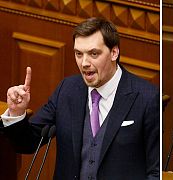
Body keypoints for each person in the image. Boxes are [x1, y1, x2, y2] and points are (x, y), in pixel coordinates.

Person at [0, 17, 160, 180]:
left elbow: (155, 171)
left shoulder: (147, 98)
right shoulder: (67, 90)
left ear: (114, 52)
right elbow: (27, 143)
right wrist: (16, 113)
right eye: (78, 54)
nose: (84, 63)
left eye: (93, 53)